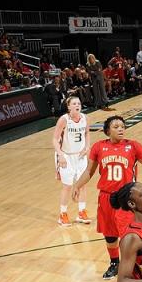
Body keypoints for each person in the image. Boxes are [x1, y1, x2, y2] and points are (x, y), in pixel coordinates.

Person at [73, 116, 142, 279]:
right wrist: (77, 185)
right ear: (107, 131)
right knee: (110, 235)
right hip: (105, 197)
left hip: (126, 198)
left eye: (122, 126)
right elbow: (89, 171)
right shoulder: (98, 147)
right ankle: (115, 263)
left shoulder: (133, 146)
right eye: (116, 126)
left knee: (129, 235)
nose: (121, 129)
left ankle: (139, 266)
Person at [53, 96, 90, 226]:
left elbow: (86, 133)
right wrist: (61, 155)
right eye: (74, 103)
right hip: (66, 156)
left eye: (79, 103)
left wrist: (87, 146)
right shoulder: (64, 120)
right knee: (67, 186)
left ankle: (81, 212)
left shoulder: (85, 118)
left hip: (80, 156)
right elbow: (54, 139)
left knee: (82, 184)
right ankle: (62, 214)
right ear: (68, 107)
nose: (77, 105)